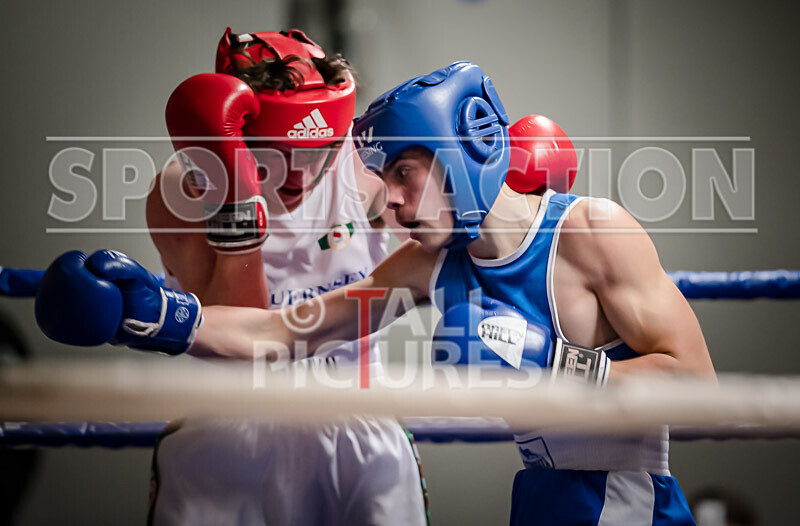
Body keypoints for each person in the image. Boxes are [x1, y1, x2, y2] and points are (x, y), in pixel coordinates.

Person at [36, 61, 716, 524]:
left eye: (404, 174)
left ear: (465, 150)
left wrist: (552, 366)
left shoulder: (591, 228)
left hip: (630, 506)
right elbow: (283, 331)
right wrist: (157, 314)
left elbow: (699, 391)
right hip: (539, 496)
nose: (387, 203)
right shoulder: (430, 266)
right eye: (380, 179)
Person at [147, 27, 427, 526]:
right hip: (230, 421)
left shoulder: (364, 165)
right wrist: (235, 201)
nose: (299, 174)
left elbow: (437, 252)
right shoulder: (181, 191)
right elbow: (238, 340)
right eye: (273, 153)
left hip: (357, 415)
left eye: (317, 151)